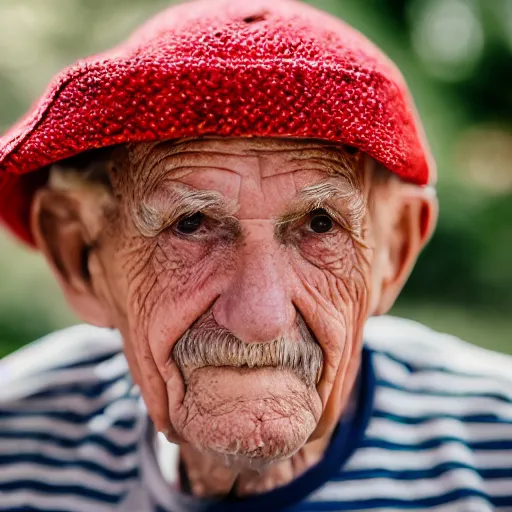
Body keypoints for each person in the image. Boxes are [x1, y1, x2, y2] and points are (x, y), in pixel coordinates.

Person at [0, 0, 511, 510]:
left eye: (319, 224)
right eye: (192, 225)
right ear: (80, 256)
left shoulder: (497, 454)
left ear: (393, 251)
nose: (260, 317)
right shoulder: (15, 447)